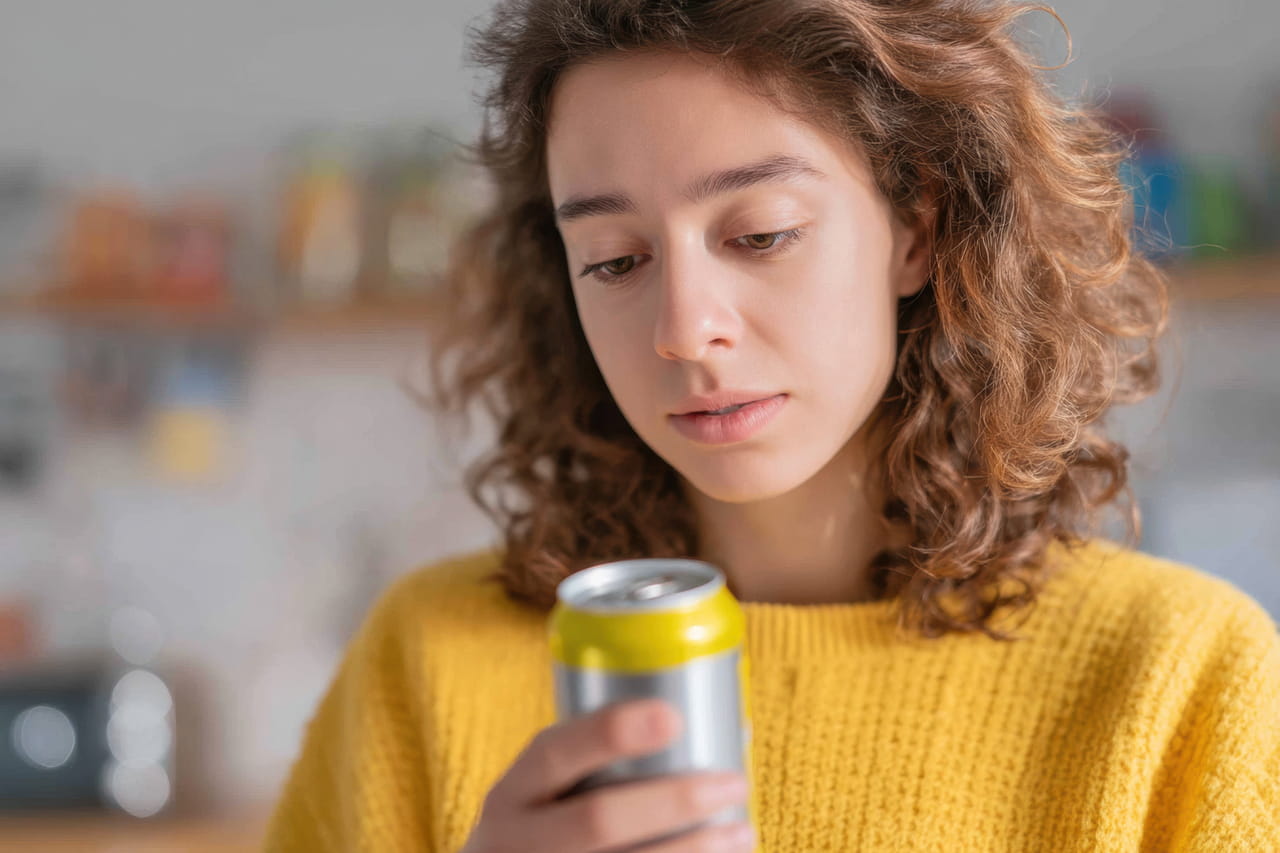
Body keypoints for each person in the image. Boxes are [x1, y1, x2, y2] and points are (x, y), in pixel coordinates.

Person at [264, 1, 1280, 850]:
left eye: (760, 234)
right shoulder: (425, 659)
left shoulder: (1182, 679)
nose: (682, 329)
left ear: (916, 228)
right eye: (614, 259)